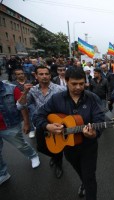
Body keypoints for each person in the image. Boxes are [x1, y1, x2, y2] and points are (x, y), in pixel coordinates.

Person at [33, 67, 105, 199]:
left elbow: (100, 119)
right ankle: (83, 182)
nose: (78, 87)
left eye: (81, 84)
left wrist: (94, 133)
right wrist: (47, 126)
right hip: (68, 147)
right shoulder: (56, 99)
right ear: (66, 81)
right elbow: (37, 116)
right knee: (79, 170)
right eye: (74, 84)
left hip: (88, 146)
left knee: (90, 177)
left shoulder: (92, 98)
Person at [17, 66, 66, 179]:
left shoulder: (60, 89)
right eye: (41, 74)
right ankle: (55, 156)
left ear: (50, 75)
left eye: (46, 74)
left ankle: (59, 163)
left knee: (57, 145)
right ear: (36, 76)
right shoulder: (32, 90)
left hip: (56, 123)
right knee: (41, 147)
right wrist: (24, 93)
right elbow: (20, 106)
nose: (44, 76)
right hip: (41, 122)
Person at [0, 81, 40, 185]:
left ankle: (33, 155)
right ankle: (3, 174)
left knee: (20, 145)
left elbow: (22, 106)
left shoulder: (11, 89)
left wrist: (27, 124)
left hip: (9, 125)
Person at [11, 68, 36, 138]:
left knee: (31, 113)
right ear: (15, 76)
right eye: (18, 74)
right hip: (20, 103)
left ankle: (33, 128)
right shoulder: (13, 84)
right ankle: (30, 129)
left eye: (22, 73)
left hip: (30, 102)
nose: (21, 75)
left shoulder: (30, 81)